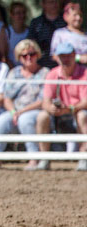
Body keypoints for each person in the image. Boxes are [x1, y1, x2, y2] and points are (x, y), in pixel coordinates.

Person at [0, 40, 47, 169]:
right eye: (24, 55)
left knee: (25, 120)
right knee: (2, 120)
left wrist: (20, 112)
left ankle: (33, 158)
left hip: (35, 110)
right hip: (15, 111)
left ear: (37, 55)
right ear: (19, 57)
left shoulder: (44, 73)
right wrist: (13, 112)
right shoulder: (14, 73)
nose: (28, 57)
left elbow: (43, 100)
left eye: (32, 54)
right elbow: (7, 98)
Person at [33, 42, 87, 171]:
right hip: (59, 113)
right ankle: (44, 158)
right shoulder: (52, 74)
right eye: (62, 56)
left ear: (74, 56)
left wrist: (70, 109)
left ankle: (84, 157)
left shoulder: (84, 73)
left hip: (76, 111)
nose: (66, 59)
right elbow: (45, 101)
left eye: (68, 56)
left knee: (82, 115)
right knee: (42, 116)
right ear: (57, 58)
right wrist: (51, 108)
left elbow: (85, 101)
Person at [28, 0, 66, 69]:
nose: (54, 5)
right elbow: (31, 44)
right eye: (51, 2)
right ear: (43, 4)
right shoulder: (36, 23)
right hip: (42, 66)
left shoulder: (66, 20)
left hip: (63, 65)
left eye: (56, 1)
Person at [0, 1, 29, 68]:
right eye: (18, 13)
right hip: (10, 69)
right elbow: (3, 56)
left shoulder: (29, 31)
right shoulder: (6, 31)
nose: (22, 15)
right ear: (11, 15)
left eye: (23, 13)